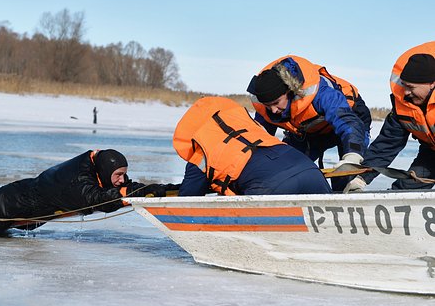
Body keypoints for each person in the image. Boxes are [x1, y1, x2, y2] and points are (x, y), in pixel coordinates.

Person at [0, 149, 169, 235]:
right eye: (118, 175)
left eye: (124, 175)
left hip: (23, 205)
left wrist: (161, 190)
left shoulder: (96, 173)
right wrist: (134, 192)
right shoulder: (79, 181)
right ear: (104, 170)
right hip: (13, 204)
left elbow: (124, 190)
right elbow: (95, 200)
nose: (122, 180)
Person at [246, 54, 371, 191]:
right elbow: (258, 141)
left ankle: (351, 193)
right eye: (268, 105)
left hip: (350, 120)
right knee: (284, 168)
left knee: (346, 177)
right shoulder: (268, 108)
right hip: (310, 131)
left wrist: (352, 156)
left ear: (289, 92)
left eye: (276, 103)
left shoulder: (323, 94)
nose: (273, 110)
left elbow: (348, 123)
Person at [173, 96, 332, 196]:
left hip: (271, 187)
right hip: (310, 171)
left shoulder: (201, 153)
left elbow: (189, 198)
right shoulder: (251, 128)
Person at [345, 42, 435, 192]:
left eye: (411, 87)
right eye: (404, 86)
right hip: (431, 153)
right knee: (405, 190)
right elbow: (387, 145)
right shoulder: (404, 106)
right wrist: (362, 178)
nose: (406, 92)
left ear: (431, 83)